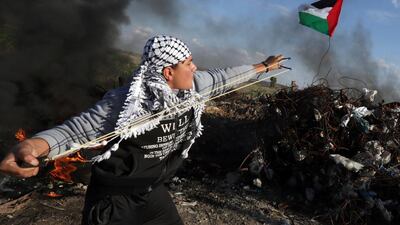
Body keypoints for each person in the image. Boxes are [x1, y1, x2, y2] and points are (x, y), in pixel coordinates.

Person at [0, 35, 285, 225]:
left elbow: (225, 77)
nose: (195, 67)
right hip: (114, 202)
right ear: (168, 72)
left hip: (152, 192)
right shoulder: (125, 103)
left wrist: (264, 66)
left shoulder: (194, 88)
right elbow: (76, 131)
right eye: (188, 63)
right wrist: (32, 147)